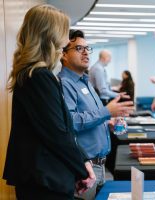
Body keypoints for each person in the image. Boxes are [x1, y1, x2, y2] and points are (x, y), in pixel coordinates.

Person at [3, 4, 95, 200]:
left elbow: (62, 129)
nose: (66, 40)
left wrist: (82, 162)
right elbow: (57, 133)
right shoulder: (37, 77)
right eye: (64, 33)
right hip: (43, 182)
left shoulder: (37, 75)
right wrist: (82, 168)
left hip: (47, 178)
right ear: (50, 35)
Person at [59, 29, 134, 200]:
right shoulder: (65, 84)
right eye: (78, 48)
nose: (86, 52)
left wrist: (108, 121)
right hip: (84, 168)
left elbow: (91, 116)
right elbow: (69, 121)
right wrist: (106, 112)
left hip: (100, 165)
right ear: (63, 54)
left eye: (87, 48)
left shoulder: (85, 81)